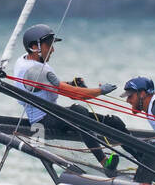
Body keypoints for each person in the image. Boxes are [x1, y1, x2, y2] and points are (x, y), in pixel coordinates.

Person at [10, 24, 127, 176]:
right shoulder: (37, 71)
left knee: (114, 122)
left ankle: (141, 156)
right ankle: (106, 164)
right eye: (48, 45)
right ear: (34, 47)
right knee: (79, 111)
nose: (52, 50)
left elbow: (49, 86)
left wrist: (71, 84)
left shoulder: (23, 61)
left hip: (55, 115)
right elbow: (76, 95)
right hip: (43, 121)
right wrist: (100, 90)